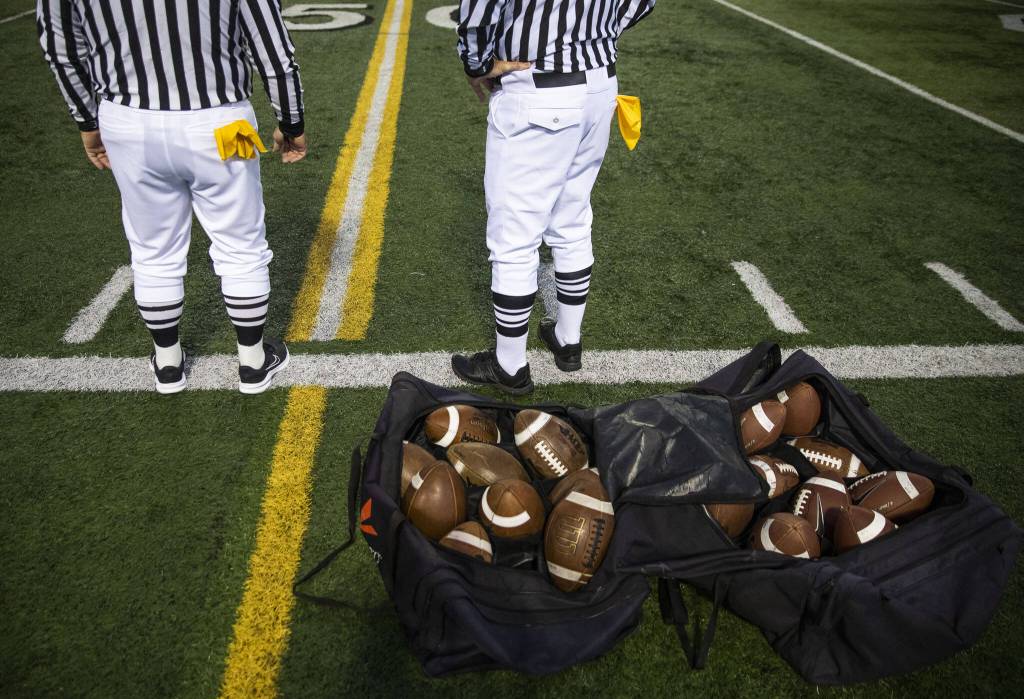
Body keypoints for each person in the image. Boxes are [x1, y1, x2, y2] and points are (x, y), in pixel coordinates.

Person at [37, 0, 307, 394]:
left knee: (152, 247)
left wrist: (88, 123)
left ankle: (168, 364)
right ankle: (252, 362)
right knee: (241, 243)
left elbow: (63, 52)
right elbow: (274, 52)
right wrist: (291, 121)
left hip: (128, 122)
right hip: (222, 119)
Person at [451, 0, 655, 395]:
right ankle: (568, 339)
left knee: (514, 237)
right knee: (573, 215)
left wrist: (478, 65)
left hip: (539, 85)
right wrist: (596, 36)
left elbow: (478, 13)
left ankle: (510, 365)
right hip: (600, 85)